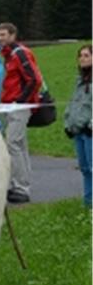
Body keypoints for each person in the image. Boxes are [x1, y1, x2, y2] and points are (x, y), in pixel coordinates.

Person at [0, 22, 42, 204]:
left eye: (3, 35)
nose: (0, 39)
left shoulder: (20, 53)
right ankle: (21, 184)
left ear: (13, 35)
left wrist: (21, 101)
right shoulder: (8, 56)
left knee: (13, 143)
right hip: (11, 105)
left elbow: (34, 79)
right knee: (20, 145)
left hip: (19, 106)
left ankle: (20, 187)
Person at [63, 44, 92, 209]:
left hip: (90, 130)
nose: (82, 58)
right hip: (78, 129)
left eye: (87, 55)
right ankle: (88, 203)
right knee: (85, 168)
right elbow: (73, 104)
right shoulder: (80, 80)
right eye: (80, 55)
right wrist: (68, 123)